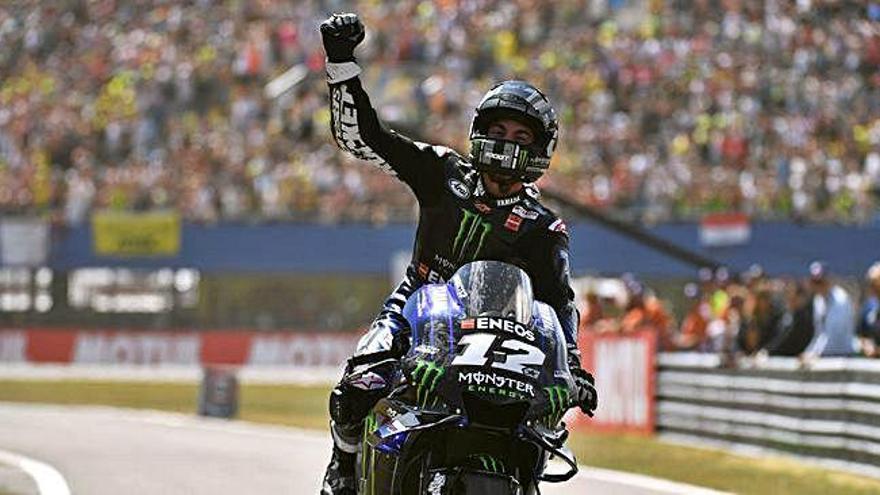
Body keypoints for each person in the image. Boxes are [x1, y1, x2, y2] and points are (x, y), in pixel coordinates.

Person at [318, 13, 598, 494]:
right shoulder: (441, 171)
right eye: (500, 131)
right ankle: (341, 473)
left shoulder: (544, 227)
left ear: (541, 149)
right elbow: (363, 139)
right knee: (354, 391)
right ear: (479, 131)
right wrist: (342, 64)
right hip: (415, 308)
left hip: (497, 334)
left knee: (543, 424)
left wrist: (571, 364)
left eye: (521, 137)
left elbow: (558, 304)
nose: (507, 145)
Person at [802, 261, 857, 363]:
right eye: (814, 282)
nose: (817, 286)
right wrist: (809, 352)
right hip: (825, 356)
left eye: (821, 282)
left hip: (843, 357)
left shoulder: (840, 300)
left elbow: (833, 335)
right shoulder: (818, 300)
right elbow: (819, 333)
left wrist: (814, 354)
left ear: (829, 280)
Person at [858, 262, 880, 357]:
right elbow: (861, 334)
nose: (873, 287)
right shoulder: (870, 306)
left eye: (876, 283)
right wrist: (866, 345)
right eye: (871, 283)